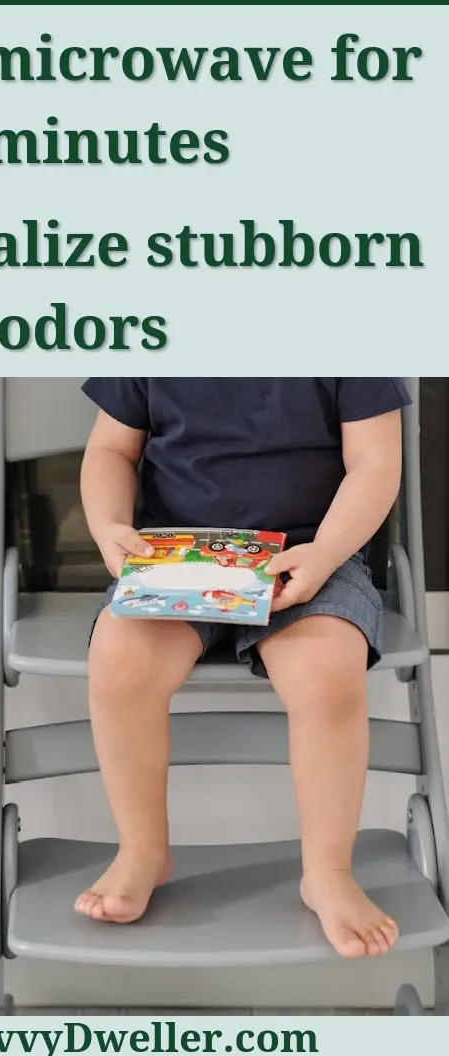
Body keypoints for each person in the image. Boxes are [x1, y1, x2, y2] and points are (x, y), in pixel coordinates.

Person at [75, 377, 409, 960]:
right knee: (119, 658)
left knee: (327, 674)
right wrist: (108, 526)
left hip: (309, 556)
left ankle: (328, 871)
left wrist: (326, 552)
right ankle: (142, 849)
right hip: (177, 553)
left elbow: (376, 463)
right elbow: (111, 450)